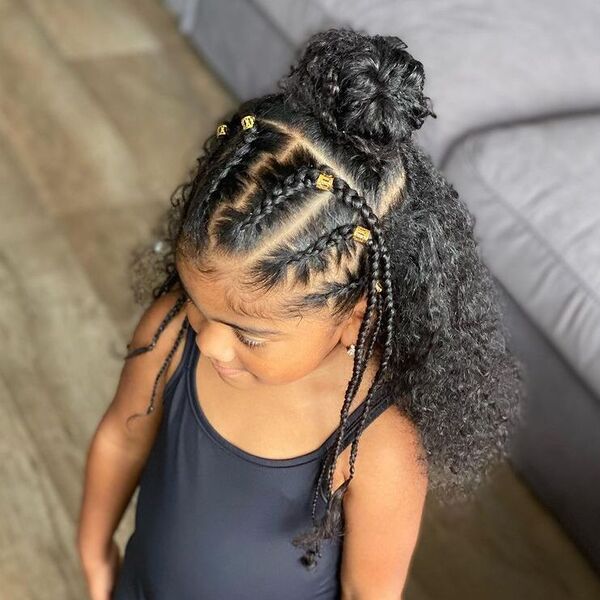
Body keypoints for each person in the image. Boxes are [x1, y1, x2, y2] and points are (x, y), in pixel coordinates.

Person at [75, 27, 523, 600]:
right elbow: (121, 437)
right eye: (195, 303)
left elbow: (371, 593)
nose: (209, 343)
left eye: (250, 333)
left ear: (354, 317)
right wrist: (95, 552)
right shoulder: (169, 336)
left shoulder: (379, 444)